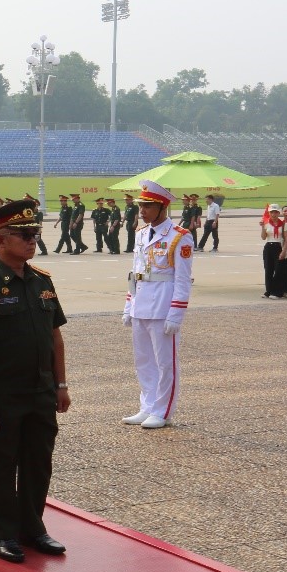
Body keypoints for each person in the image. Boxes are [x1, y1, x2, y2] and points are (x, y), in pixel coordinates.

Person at [0, 202, 69, 562]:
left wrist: (62, 385)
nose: (32, 240)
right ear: (0, 239)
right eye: (24, 235)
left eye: (34, 234)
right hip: (1, 394)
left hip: (40, 391)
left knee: (38, 462)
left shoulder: (42, 280)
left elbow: (55, 337)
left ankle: (33, 526)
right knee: (0, 466)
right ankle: (3, 533)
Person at [121, 181, 193, 429]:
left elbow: (183, 280)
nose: (142, 211)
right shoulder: (141, 234)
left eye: (148, 206)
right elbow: (135, 273)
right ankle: (147, 406)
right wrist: (129, 305)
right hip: (141, 303)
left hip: (163, 306)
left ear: (162, 207)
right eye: (141, 206)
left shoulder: (179, 237)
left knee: (165, 363)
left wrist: (176, 314)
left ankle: (163, 410)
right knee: (143, 360)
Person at [260, 204, 287, 298]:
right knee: (268, 270)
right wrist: (263, 227)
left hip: (278, 246)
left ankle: (277, 292)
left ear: (279, 213)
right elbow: (263, 237)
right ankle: (269, 290)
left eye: (276, 212)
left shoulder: (283, 224)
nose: (274, 214)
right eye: (272, 212)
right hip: (269, 246)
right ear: (269, 213)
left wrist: (284, 251)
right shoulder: (267, 223)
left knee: (279, 270)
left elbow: (286, 239)